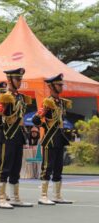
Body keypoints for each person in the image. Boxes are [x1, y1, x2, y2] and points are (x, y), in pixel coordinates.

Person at [0, 68, 33, 209]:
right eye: (17, 79)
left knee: (16, 167)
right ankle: (2, 198)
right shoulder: (5, 97)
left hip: (18, 135)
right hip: (8, 135)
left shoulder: (20, 97)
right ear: (9, 80)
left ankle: (15, 197)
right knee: (5, 166)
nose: (20, 82)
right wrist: (4, 127)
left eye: (21, 79)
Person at [32, 73, 73, 205]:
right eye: (59, 85)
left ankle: (57, 195)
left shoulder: (60, 102)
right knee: (47, 167)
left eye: (61, 84)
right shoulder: (48, 102)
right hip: (50, 138)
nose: (61, 87)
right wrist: (43, 124)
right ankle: (43, 196)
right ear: (51, 86)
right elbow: (36, 119)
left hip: (59, 138)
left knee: (58, 167)